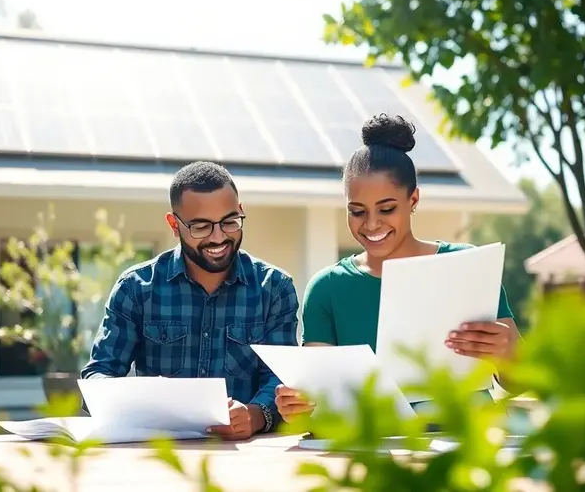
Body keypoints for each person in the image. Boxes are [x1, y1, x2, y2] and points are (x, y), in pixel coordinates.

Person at [274, 114, 521, 423]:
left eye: (387, 209)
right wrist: (299, 406)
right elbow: (317, 403)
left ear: (413, 199)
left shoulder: (465, 266)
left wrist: (508, 351)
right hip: (375, 455)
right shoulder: (328, 288)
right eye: (357, 211)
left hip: (468, 448)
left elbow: (521, 382)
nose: (372, 224)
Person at [81, 161, 300, 440]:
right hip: (158, 453)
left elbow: (280, 379)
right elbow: (100, 374)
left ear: (241, 211)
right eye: (201, 227)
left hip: (246, 456)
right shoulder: (136, 288)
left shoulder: (275, 288)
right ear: (174, 225)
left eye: (230, 221)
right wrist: (138, 405)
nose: (219, 237)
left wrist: (255, 415)